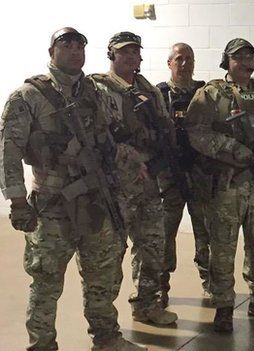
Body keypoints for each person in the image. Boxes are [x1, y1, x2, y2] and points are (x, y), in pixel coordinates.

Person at [0, 27, 145, 351]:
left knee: (103, 276)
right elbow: (9, 151)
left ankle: (106, 337)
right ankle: (42, 344)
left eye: (80, 45)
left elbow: (108, 141)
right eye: (67, 45)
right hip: (52, 207)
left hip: (95, 201)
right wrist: (17, 201)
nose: (75, 51)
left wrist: (130, 163)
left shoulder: (94, 92)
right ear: (52, 51)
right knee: (46, 282)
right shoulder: (28, 96)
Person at [185, 38, 254, 333]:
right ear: (226, 62)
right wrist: (231, 148)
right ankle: (223, 305)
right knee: (223, 248)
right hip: (226, 186)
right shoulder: (210, 94)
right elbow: (195, 132)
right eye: (238, 57)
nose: (245, 62)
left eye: (249, 57)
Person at [89, 31, 178, 326]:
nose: (130, 56)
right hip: (116, 186)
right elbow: (97, 137)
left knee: (152, 245)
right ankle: (104, 326)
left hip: (149, 182)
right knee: (110, 254)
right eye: (123, 51)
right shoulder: (97, 88)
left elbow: (165, 129)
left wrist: (160, 163)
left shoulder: (148, 90)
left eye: (135, 52)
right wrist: (130, 157)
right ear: (111, 54)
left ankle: (146, 306)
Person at [156, 43, 211, 307]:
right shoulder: (158, 94)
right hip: (170, 178)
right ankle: (161, 285)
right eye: (179, 58)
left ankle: (210, 282)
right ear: (170, 63)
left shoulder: (206, 92)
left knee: (206, 232)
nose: (185, 63)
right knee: (165, 234)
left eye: (189, 58)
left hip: (200, 174)